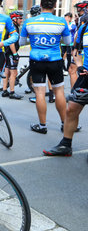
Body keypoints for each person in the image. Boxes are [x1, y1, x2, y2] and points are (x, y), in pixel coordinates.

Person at [19, 0, 71, 134]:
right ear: (55, 6)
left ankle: (42, 126)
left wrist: (35, 40)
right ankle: (64, 124)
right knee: (59, 91)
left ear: (40, 5)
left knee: (40, 93)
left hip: (37, 60)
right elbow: (67, 42)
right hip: (55, 60)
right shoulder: (61, 21)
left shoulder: (29, 22)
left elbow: (22, 42)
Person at [43, 12, 88, 156]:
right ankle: (65, 145)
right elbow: (76, 50)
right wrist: (80, 65)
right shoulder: (84, 27)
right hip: (85, 76)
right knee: (71, 110)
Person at [1, 10, 24, 100]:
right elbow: (11, 43)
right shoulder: (13, 28)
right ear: (14, 19)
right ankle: (12, 92)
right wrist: (15, 54)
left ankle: (4, 90)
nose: (21, 20)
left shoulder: (11, 26)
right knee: (13, 73)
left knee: (6, 72)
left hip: (7, 53)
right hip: (10, 53)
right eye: (20, 18)